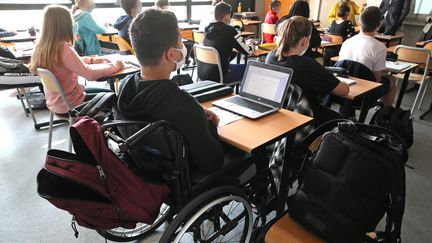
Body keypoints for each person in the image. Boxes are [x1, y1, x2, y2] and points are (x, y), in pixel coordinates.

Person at [116, 8, 224, 174]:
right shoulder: (183, 105)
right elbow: (213, 162)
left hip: (147, 173)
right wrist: (207, 124)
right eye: (180, 40)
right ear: (171, 54)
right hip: (184, 182)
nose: (183, 45)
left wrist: (196, 111)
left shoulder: (124, 86)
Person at [29, 5, 124, 114]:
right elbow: (90, 74)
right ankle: (109, 129)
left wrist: (91, 60)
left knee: (106, 93)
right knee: (114, 97)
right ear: (65, 25)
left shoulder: (42, 46)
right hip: (73, 104)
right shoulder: (63, 47)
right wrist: (115, 66)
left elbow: (64, 63)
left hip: (56, 103)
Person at [266, 16, 349, 126]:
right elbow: (344, 90)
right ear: (305, 40)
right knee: (345, 123)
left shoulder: (271, 57)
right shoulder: (306, 64)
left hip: (280, 112)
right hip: (306, 117)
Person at [339, 6, 395, 107]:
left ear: (359, 23)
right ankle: (385, 114)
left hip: (343, 91)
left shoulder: (347, 42)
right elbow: (377, 81)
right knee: (391, 80)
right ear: (379, 25)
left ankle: (350, 112)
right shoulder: (380, 47)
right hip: (365, 95)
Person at [201, 2, 254, 83]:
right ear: (226, 16)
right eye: (230, 15)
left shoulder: (207, 28)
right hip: (220, 75)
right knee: (250, 68)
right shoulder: (230, 30)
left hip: (204, 73)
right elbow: (248, 51)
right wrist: (251, 45)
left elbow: (218, 45)